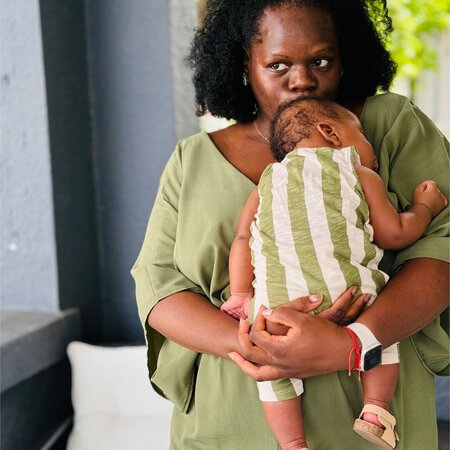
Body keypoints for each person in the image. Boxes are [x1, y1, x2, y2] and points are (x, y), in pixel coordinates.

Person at [131, 1, 449, 448]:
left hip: (368, 416)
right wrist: (258, 345)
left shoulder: (385, 127)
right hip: (229, 421)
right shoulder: (193, 161)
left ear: (345, 55)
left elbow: (441, 253)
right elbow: (159, 287)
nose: (302, 79)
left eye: (321, 60)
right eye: (277, 64)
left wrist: (348, 345)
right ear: (244, 64)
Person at [221, 96, 448, 450]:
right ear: (330, 133)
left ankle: (293, 443)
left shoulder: (267, 180)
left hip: (279, 305)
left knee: (272, 378)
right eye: (364, 137)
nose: (371, 150)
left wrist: (239, 295)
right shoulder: (355, 170)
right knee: (382, 340)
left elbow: (242, 238)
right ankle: (375, 410)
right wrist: (425, 206)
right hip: (350, 290)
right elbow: (395, 234)